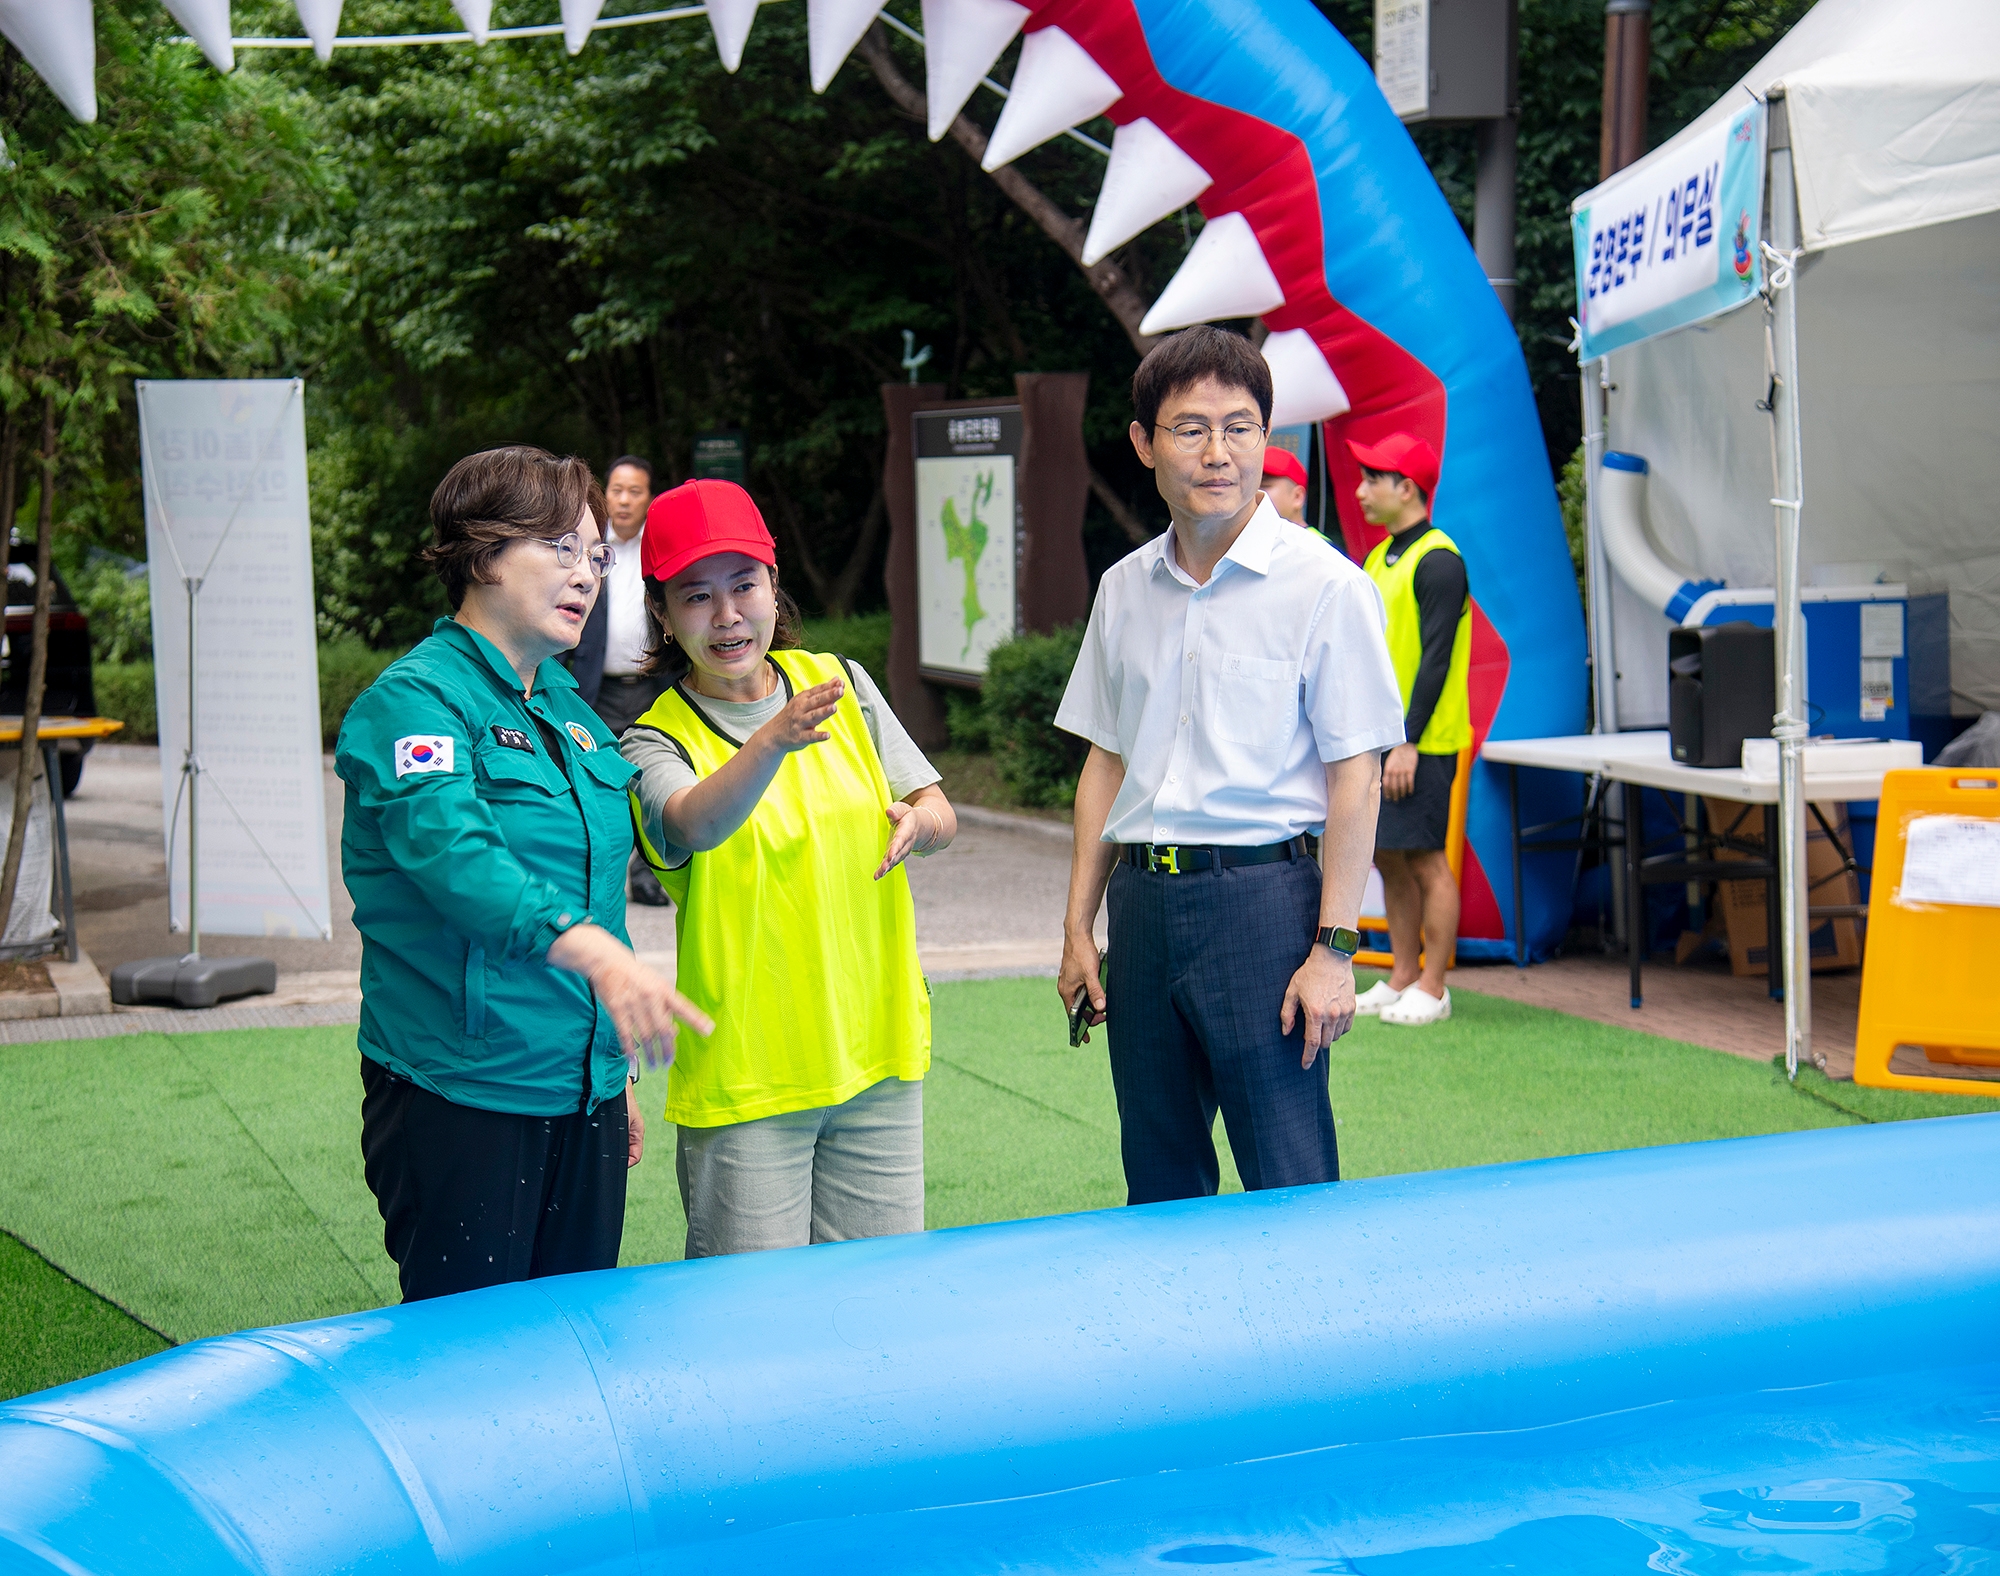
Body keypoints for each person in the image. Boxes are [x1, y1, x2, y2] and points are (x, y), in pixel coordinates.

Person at [335, 445, 711, 1303]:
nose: (587, 574)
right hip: (462, 1094)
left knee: (572, 1346)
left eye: (596, 555)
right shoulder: (413, 703)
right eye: (562, 548)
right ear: (483, 554)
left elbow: (600, 891)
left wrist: (608, 1073)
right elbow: (455, 857)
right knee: (471, 1362)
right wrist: (594, 953)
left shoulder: (569, 710)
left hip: (579, 1092)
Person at [1054, 326, 1406, 1206]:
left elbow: (1354, 780)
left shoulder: (1326, 586)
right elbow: (1106, 761)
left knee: (1287, 1178)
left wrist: (1335, 947)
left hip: (1262, 910)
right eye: (1190, 428)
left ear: (1266, 437)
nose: (1219, 453)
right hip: (1141, 908)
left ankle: (1309, 1344)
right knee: (1159, 1179)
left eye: (1241, 427)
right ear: (1143, 443)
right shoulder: (1124, 588)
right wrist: (1077, 928)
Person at [621, 478, 958, 1258]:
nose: (728, 615)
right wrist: (772, 737)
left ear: (775, 586)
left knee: (876, 1303)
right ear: (664, 617)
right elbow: (696, 824)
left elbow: (937, 809)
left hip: (877, 1052)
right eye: (697, 596)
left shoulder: (839, 681)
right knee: (750, 1325)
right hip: (748, 1076)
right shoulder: (650, 740)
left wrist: (922, 824)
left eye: (744, 585)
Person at [1346, 432, 1471, 1028]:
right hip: (1384, 741)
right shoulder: (1381, 556)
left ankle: (1435, 985)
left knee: (1425, 860)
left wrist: (1408, 740)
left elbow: (1437, 658)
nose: (1361, 490)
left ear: (1408, 488)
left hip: (1423, 743)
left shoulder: (1439, 560)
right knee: (1389, 857)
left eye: (1374, 478)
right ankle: (1401, 975)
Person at [572, 456, 674, 906]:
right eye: (617, 490)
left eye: (635, 491)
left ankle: (646, 873)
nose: (625, 499)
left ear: (648, 498)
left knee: (651, 777)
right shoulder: (589, 550)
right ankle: (599, 868)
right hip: (598, 689)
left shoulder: (659, 550)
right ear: (605, 495)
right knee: (600, 778)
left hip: (654, 686)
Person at [1259, 444, 1311, 526]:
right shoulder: (1245, 538)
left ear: (1297, 496)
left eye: (1264, 487)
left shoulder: (1314, 539)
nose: (1253, 495)